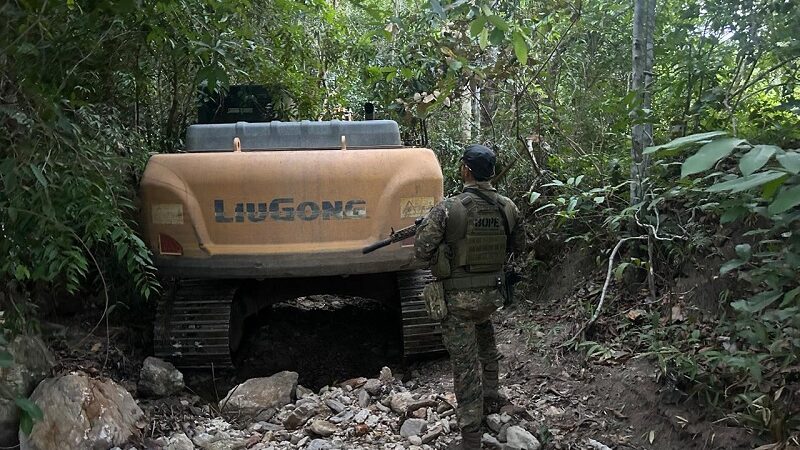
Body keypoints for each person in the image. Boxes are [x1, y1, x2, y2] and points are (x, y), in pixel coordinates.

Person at [414, 144, 526, 450]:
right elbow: (519, 247)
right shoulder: (508, 207)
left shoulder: (448, 208)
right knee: (485, 336)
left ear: (466, 170)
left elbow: (422, 251)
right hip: (493, 296)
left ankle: (471, 437)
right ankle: (492, 396)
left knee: (464, 367)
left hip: (458, 301)